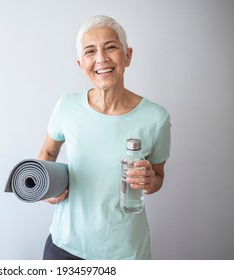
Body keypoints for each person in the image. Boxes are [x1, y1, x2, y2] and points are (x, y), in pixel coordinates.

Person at [38, 15, 171, 260]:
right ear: (81, 64)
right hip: (65, 247)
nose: (101, 58)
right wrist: (47, 188)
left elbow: (158, 177)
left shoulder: (156, 118)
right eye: (90, 51)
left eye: (110, 47)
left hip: (125, 252)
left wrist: (150, 180)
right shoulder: (66, 106)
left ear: (127, 55)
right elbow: (47, 153)